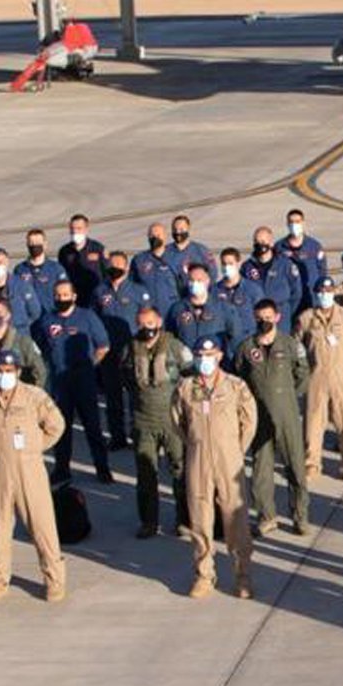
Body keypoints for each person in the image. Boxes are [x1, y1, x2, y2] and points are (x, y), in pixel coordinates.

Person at [0, 349, 67, 604]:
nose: (4, 376)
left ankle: (54, 580)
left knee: (42, 526)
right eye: (0, 371)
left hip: (29, 469)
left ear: (18, 372)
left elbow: (56, 425)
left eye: (9, 371)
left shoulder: (33, 397)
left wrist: (34, 447)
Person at [172, 335, 258, 599]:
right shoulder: (185, 388)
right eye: (199, 355)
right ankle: (204, 574)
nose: (204, 361)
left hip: (228, 459)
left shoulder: (235, 386)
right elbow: (178, 422)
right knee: (200, 518)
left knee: (236, 519)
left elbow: (249, 420)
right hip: (198, 459)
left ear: (220, 356)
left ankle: (242, 575)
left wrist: (234, 449)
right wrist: (196, 444)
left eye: (209, 356)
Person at [237, 297, 311, 537]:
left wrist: (287, 396)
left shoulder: (290, 345)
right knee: (261, 470)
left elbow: (303, 374)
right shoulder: (247, 347)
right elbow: (238, 377)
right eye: (260, 318)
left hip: (286, 412)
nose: (264, 322)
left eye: (268, 317)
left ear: (278, 317)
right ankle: (266, 516)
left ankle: (300, 516)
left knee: (296, 468)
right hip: (258, 416)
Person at [32, 281, 113, 484]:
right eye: (58, 295)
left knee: (92, 427)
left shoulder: (87, 317)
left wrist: (91, 365)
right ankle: (62, 469)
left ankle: (102, 468)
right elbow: (42, 346)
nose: (62, 299)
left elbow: (103, 346)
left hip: (84, 379)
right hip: (60, 380)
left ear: (74, 296)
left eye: (66, 295)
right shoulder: (47, 321)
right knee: (61, 427)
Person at [122, 304, 191, 539]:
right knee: (146, 473)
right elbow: (126, 378)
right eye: (141, 324)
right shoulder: (130, 349)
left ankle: (184, 519)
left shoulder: (174, 347)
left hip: (171, 419)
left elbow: (190, 374)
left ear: (159, 322)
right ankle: (149, 522)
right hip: (143, 421)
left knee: (180, 470)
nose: (146, 329)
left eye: (150, 324)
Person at [299, 278, 343, 483]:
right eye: (321, 290)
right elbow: (298, 348)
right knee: (313, 424)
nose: (324, 294)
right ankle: (311, 464)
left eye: (329, 290)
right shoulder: (306, 318)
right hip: (316, 378)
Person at [92, 250, 154, 449]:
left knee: (137, 396)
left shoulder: (138, 291)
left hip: (134, 351)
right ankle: (117, 436)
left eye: (118, 266)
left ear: (126, 268)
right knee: (113, 397)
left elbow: (147, 320)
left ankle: (139, 436)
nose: (114, 269)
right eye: (111, 266)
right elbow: (94, 320)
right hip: (109, 352)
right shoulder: (100, 292)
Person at [167, 263, 245, 360]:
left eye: (199, 280)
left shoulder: (224, 308)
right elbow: (169, 338)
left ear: (207, 281)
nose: (195, 284)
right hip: (186, 365)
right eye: (192, 280)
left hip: (216, 364)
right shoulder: (177, 309)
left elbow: (236, 337)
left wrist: (226, 357)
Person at [0, 298, 47, 390]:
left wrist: (31, 396)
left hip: (17, 396)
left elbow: (40, 372)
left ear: (8, 315)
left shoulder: (23, 342)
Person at [243, 227, 303, 331]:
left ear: (271, 243)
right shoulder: (247, 267)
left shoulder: (285, 264)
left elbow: (296, 293)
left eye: (263, 241)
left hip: (281, 319)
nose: (259, 245)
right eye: (256, 241)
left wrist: (286, 311)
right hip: (256, 319)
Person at [11, 228, 68, 317]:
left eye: (38, 242)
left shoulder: (56, 269)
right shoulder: (19, 269)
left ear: (45, 244)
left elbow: (65, 292)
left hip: (51, 316)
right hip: (29, 319)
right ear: (27, 244)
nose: (34, 245)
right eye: (31, 243)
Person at [58, 213, 109, 308]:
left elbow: (107, 274)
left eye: (79, 228)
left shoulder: (98, 249)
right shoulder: (64, 251)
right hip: (74, 300)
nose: (75, 231)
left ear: (86, 229)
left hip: (95, 298)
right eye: (73, 229)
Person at [132, 222, 182, 317]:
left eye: (158, 235)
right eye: (152, 235)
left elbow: (184, 284)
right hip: (149, 310)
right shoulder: (139, 260)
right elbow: (133, 286)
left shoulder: (176, 258)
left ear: (165, 236)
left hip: (172, 309)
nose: (155, 238)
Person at [277, 209, 328, 297]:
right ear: (287, 224)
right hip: (289, 295)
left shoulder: (314, 246)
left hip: (310, 294)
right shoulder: (279, 247)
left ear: (303, 223)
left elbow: (322, 270)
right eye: (291, 222)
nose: (294, 225)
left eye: (297, 222)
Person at [165, 214, 216, 285]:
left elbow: (213, 274)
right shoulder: (165, 252)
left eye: (181, 229)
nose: (178, 232)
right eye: (175, 229)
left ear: (188, 228)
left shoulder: (201, 251)